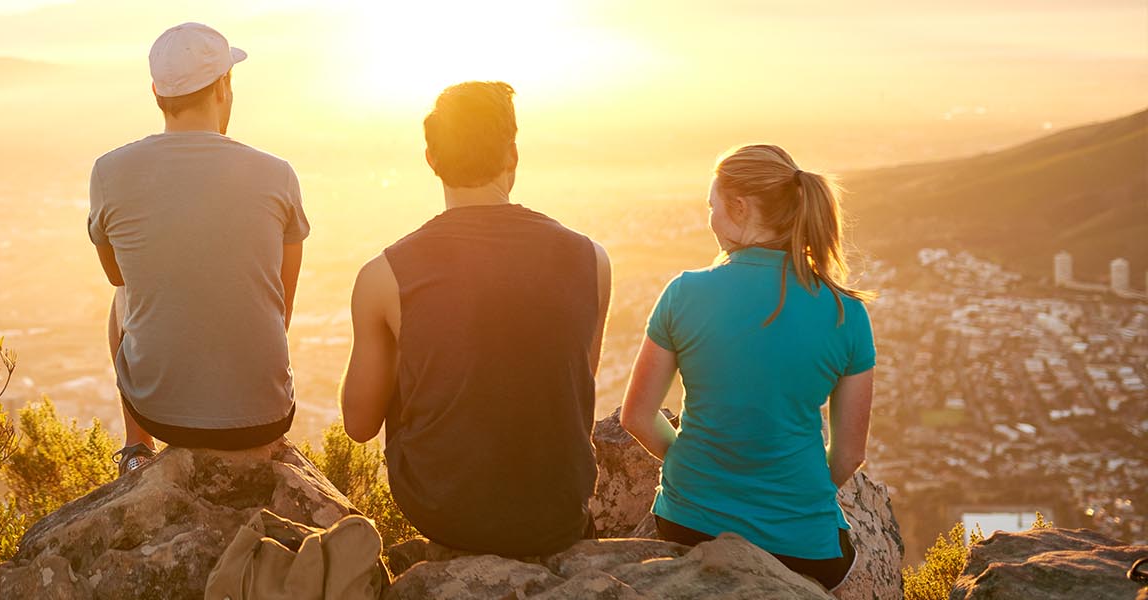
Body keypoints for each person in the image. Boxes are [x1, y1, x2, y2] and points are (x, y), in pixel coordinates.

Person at [337, 81, 611, 557]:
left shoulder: (383, 276)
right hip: (558, 513)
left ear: (431, 159)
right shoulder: (592, 260)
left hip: (444, 511)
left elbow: (359, 425)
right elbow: (576, 380)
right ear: (513, 155)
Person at [619, 144, 877, 590]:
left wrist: (696, 468)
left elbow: (637, 417)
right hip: (802, 549)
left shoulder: (684, 293)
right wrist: (794, 498)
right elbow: (850, 453)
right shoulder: (846, 312)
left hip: (688, 526)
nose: (710, 218)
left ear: (738, 207)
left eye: (712, 206)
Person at [89, 23, 308, 475]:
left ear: (156, 91)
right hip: (264, 417)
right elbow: (281, 304)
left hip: (161, 414)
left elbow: (117, 275)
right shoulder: (277, 173)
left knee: (123, 296)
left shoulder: (109, 172)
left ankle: (136, 449)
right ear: (224, 87)